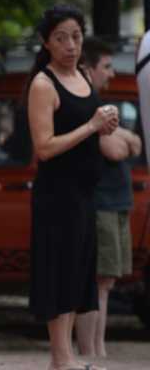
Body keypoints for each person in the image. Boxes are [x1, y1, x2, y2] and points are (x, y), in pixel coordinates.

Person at [26, 5, 118, 370]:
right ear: (46, 42)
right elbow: (44, 147)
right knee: (58, 271)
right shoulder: (42, 85)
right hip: (56, 195)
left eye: (76, 36)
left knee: (79, 272)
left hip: (85, 193)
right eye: (61, 37)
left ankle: (64, 358)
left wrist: (106, 126)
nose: (70, 45)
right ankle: (61, 357)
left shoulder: (83, 74)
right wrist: (92, 127)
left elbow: (90, 125)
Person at [76, 37, 141, 358]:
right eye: (107, 66)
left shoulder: (101, 106)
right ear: (88, 69)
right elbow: (117, 149)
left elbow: (137, 144)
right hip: (101, 204)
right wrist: (122, 137)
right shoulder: (89, 107)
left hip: (117, 203)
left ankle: (97, 348)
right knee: (98, 281)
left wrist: (123, 136)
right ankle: (92, 350)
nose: (112, 73)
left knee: (107, 282)